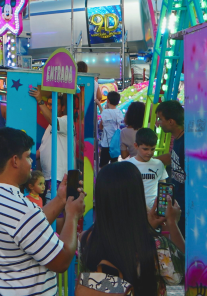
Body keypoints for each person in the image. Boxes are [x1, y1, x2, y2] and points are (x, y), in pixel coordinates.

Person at [0, 127, 84, 296]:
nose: (31, 162)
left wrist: (61, 199)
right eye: (28, 156)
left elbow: (27, 228)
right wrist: (72, 216)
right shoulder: (21, 210)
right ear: (15, 161)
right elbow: (61, 261)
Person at [76, 161, 178, 296]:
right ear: (138, 197)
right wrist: (172, 223)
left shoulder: (86, 239)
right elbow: (179, 277)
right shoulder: (157, 245)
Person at [155, 100, 185, 233]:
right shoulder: (179, 139)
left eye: (160, 119)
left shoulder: (186, 142)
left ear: (171, 121)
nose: (158, 123)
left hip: (185, 208)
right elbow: (171, 158)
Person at [123, 128, 167, 210]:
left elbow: (163, 188)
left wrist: (162, 209)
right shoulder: (127, 165)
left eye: (152, 149)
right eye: (145, 149)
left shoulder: (159, 164)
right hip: (134, 210)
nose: (149, 152)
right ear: (136, 145)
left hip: (155, 211)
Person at [36, 93, 68, 193]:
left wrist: (40, 101)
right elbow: (42, 151)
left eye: (55, 104)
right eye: (49, 104)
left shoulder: (66, 120)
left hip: (58, 177)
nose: (50, 107)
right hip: (47, 176)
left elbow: (54, 121)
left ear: (62, 108)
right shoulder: (48, 127)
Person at [98, 91, 125, 167]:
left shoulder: (106, 112)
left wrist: (99, 104)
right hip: (116, 143)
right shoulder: (119, 112)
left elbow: (101, 126)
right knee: (114, 165)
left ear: (108, 100)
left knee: (103, 166)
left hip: (106, 144)